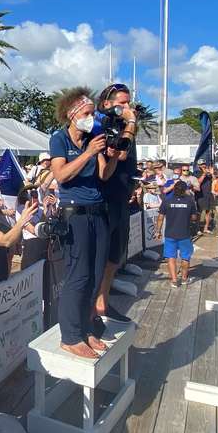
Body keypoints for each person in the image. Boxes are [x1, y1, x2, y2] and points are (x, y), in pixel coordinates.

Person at [49, 88, 119, 358]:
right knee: (77, 276)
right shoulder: (59, 139)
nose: (91, 118)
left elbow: (103, 174)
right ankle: (70, 335)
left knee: (96, 273)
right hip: (74, 214)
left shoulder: (93, 139)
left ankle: (86, 327)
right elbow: (61, 175)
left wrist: (111, 155)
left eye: (92, 113)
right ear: (72, 114)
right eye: (87, 113)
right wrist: (88, 152)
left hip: (97, 211)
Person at [91, 83, 139, 329]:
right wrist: (130, 124)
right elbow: (116, 155)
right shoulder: (102, 126)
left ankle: (103, 302)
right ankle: (92, 310)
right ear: (107, 104)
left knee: (114, 256)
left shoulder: (123, 125)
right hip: (104, 200)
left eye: (129, 103)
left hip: (122, 197)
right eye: (122, 103)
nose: (127, 108)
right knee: (100, 257)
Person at [156, 181, 198, 287]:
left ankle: (174, 280)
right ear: (185, 190)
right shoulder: (190, 201)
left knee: (171, 257)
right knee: (185, 257)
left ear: (174, 189)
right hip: (185, 233)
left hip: (170, 234)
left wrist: (158, 231)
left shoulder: (166, 200)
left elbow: (160, 218)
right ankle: (184, 279)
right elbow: (194, 217)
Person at [17, 187, 50, 269]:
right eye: (33, 196)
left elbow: (42, 226)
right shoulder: (21, 210)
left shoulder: (40, 210)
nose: (36, 198)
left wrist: (45, 210)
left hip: (43, 244)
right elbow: (33, 230)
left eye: (36, 195)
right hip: (31, 246)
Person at [196, 160, 216, 234]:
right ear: (199, 166)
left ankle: (206, 228)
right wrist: (204, 174)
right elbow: (198, 182)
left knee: (208, 212)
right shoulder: (196, 173)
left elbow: (214, 181)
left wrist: (212, 173)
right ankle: (197, 229)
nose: (203, 165)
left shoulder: (209, 173)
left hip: (209, 194)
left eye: (204, 164)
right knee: (199, 212)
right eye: (201, 164)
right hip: (200, 195)